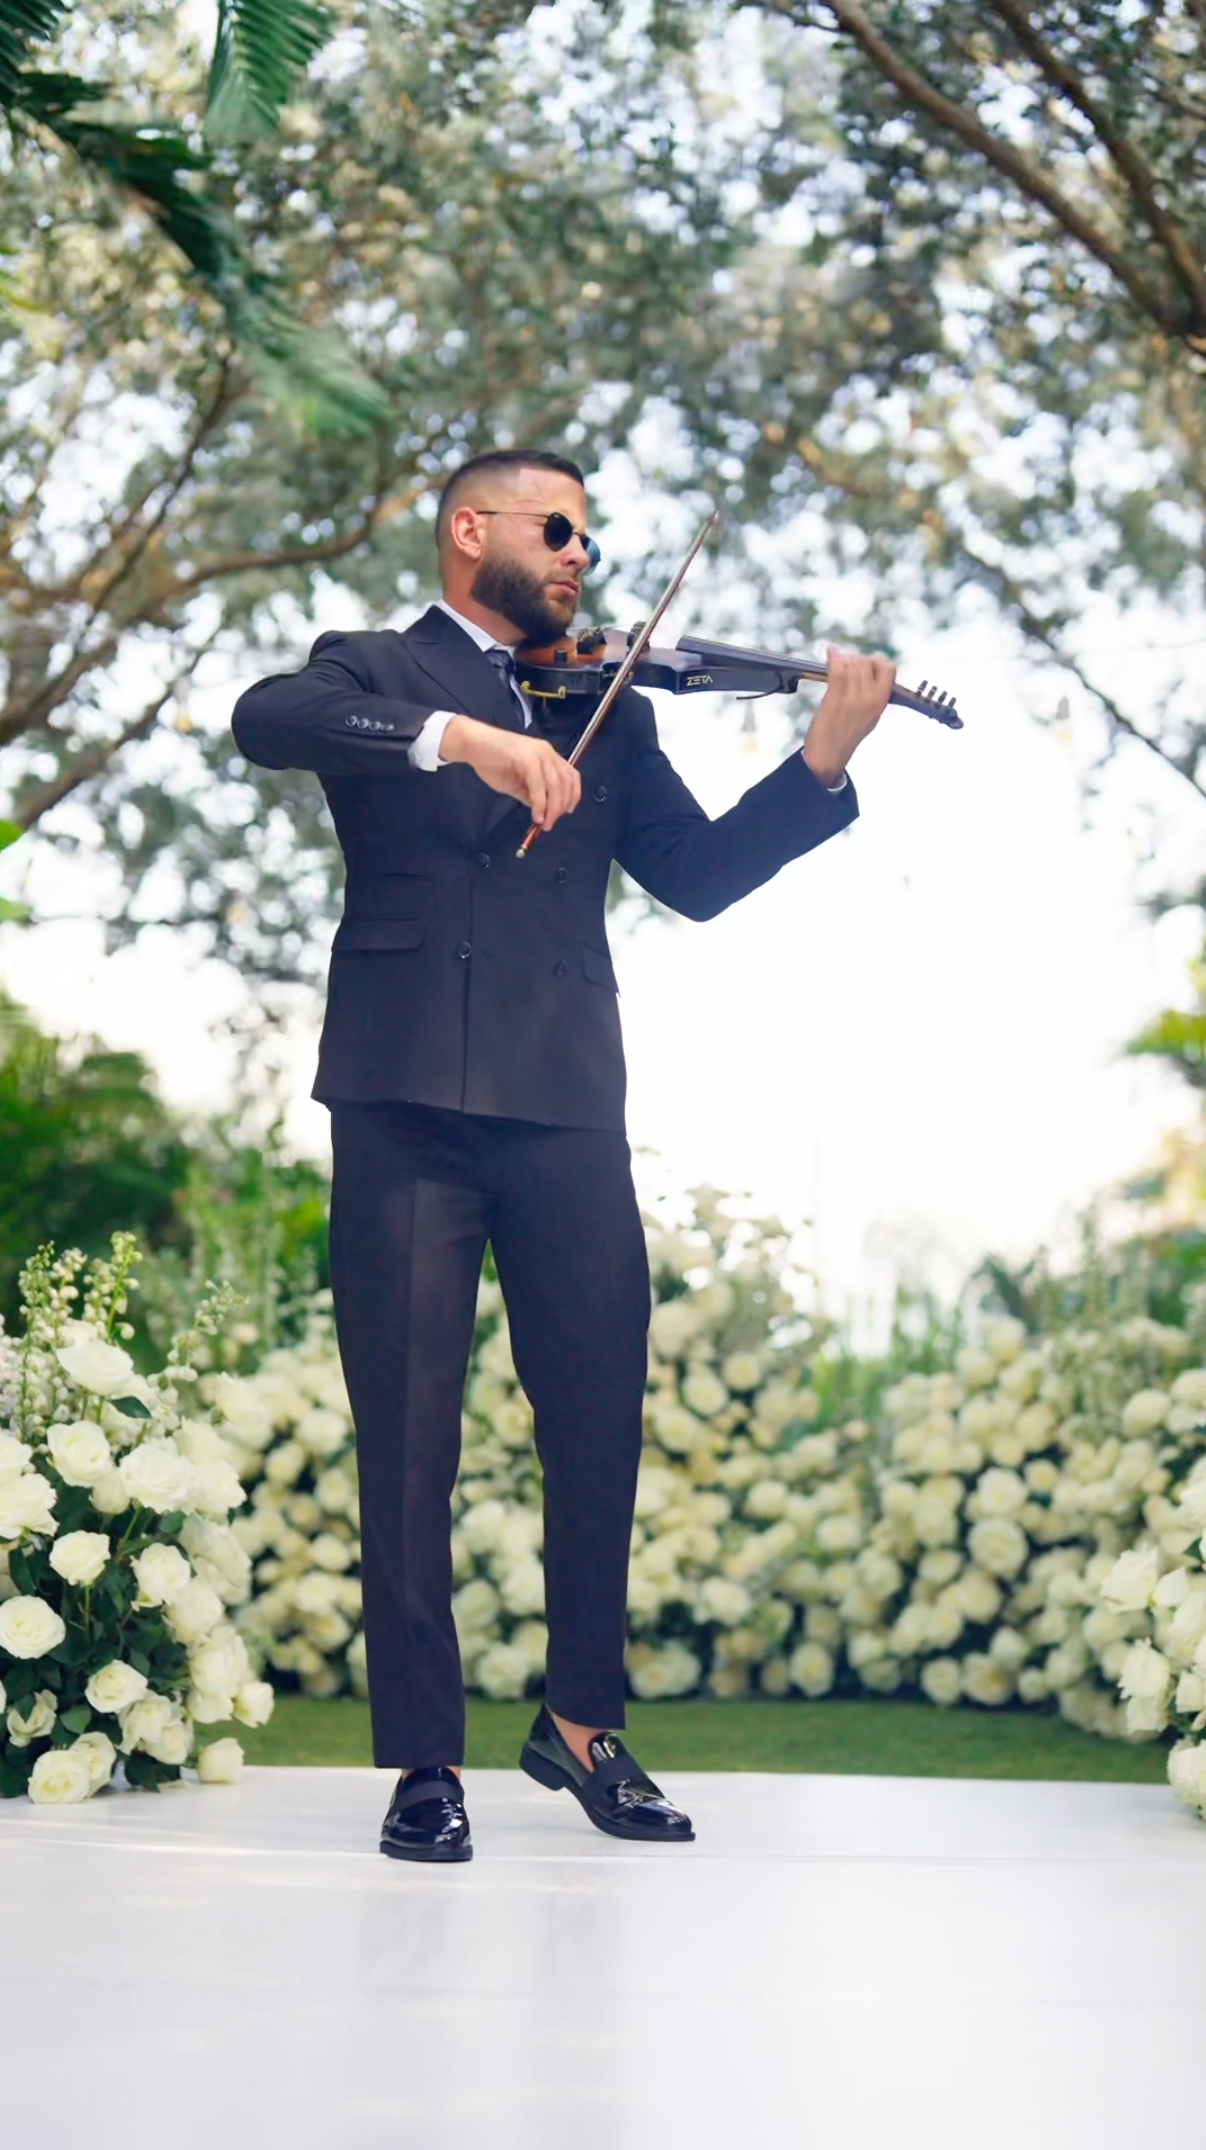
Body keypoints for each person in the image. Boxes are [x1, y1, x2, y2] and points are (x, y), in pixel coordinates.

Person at [231, 449, 894, 1863]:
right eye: (559, 528)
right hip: (402, 1100)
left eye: (591, 536)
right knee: (408, 1439)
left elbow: (700, 880)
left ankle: (581, 1726)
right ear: (471, 532)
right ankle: (424, 1759)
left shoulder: (604, 703)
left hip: (567, 1103)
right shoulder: (373, 665)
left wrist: (822, 756)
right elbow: (264, 716)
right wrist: (460, 741)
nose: (581, 554)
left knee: (594, 1413)